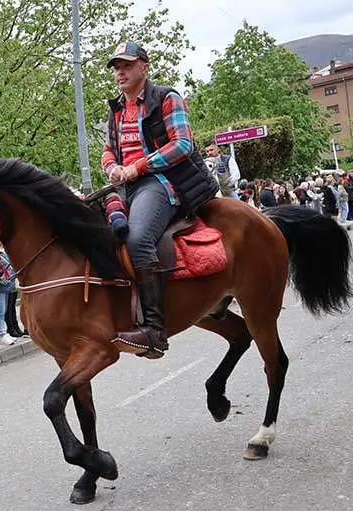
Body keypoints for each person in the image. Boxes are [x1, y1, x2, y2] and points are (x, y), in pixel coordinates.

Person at [102, 40, 218, 359]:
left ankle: (154, 330)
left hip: (160, 182)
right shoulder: (116, 111)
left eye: (126, 65)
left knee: (138, 239)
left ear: (144, 66)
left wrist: (137, 167)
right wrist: (112, 168)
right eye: (116, 67)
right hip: (124, 186)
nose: (120, 72)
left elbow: (183, 145)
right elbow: (109, 152)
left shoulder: (167, 98)